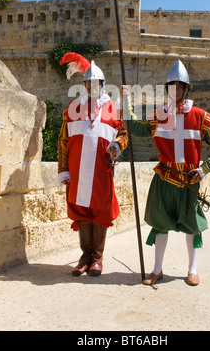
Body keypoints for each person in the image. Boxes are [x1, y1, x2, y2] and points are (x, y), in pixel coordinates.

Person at [121, 60, 210, 286]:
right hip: (165, 179)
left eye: (179, 87)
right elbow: (135, 128)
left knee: (192, 227)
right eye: (171, 87)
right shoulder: (158, 115)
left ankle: (192, 269)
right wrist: (126, 102)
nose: (175, 91)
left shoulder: (200, 117)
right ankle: (157, 269)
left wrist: (205, 168)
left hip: (189, 181)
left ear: (186, 89)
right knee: (160, 224)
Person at [58, 54, 128, 277]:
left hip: (101, 170)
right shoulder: (73, 109)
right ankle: (84, 256)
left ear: (102, 85)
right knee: (81, 212)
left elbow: (124, 134)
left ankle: (97, 257)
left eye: (96, 83)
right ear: (85, 85)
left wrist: (117, 145)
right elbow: (63, 141)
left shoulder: (113, 109)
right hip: (78, 171)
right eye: (89, 83)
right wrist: (63, 170)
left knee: (100, 211)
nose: (92, 86)